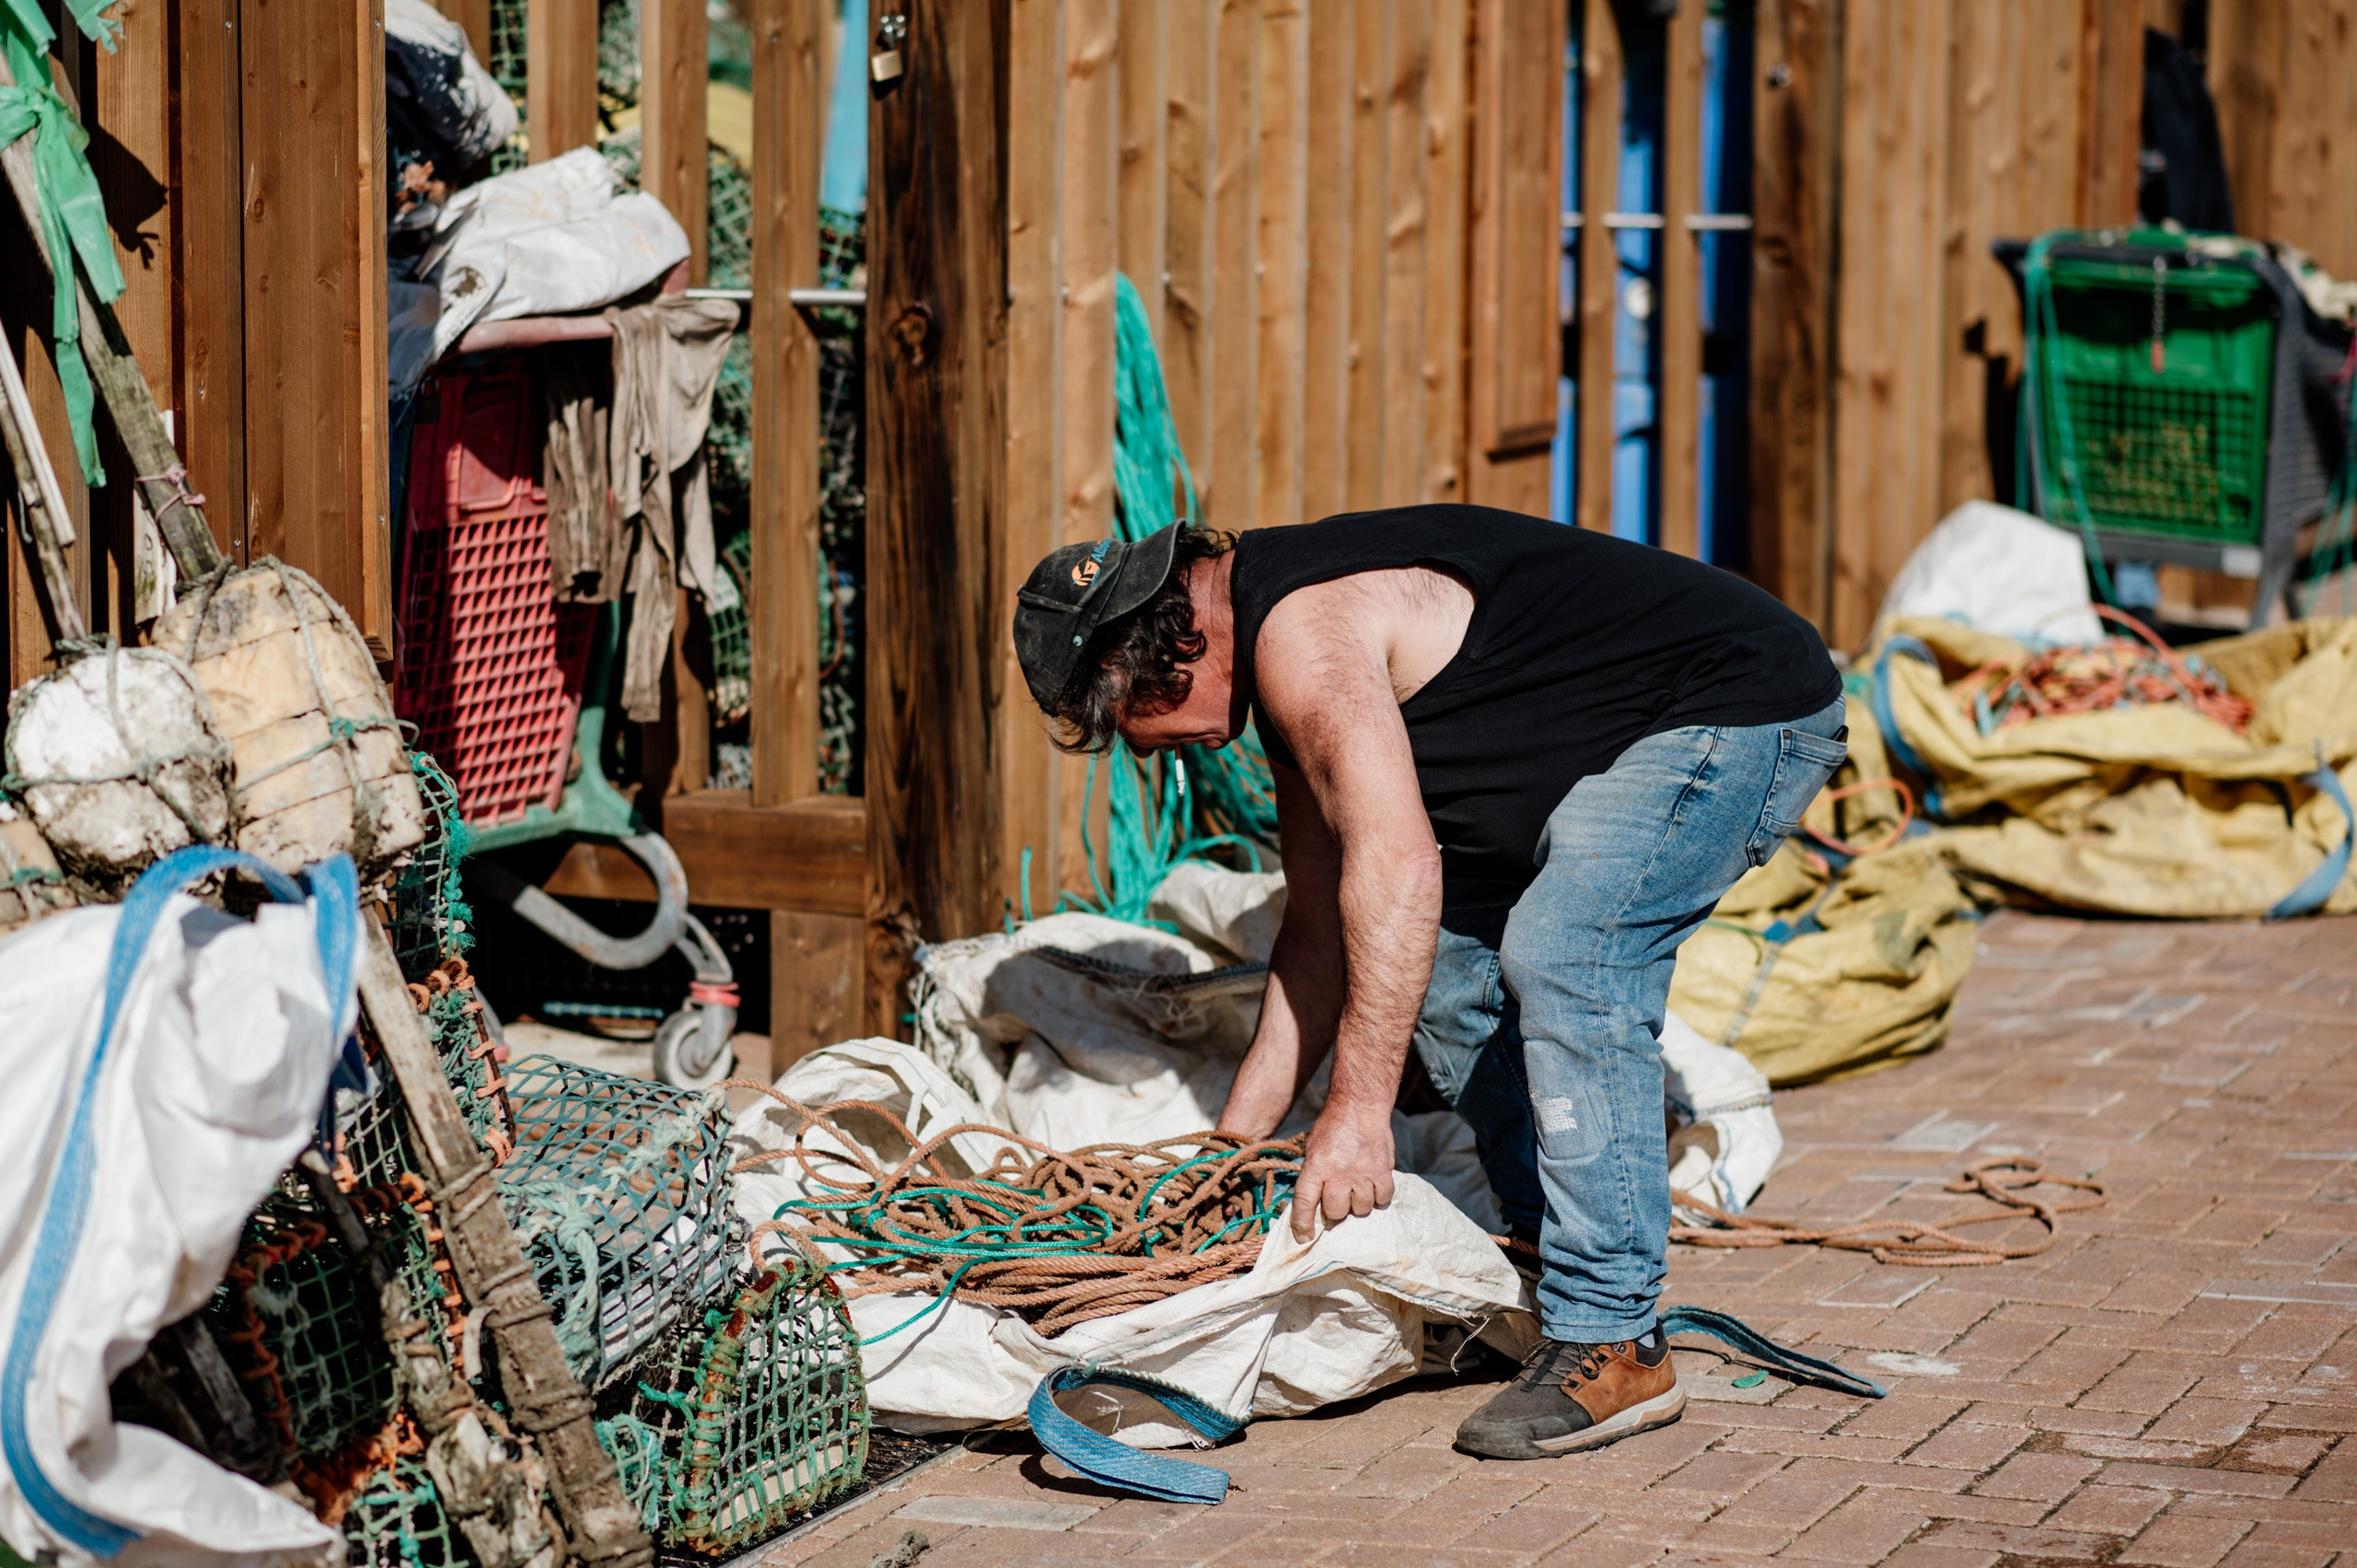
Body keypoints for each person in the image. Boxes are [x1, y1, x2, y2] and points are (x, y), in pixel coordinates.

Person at [1010, 505, 1845, 1459]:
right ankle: (1550, 1260)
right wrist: (1227, 1151)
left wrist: (1358, 1113)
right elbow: (1321, 928)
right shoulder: (1274, 664)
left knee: (1568, 949)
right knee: (1441, 975)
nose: (1145, 749)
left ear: (1164, 652)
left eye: (1123, 721)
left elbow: (1403, 867)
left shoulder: (1303, 637)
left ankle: (1614, 1333)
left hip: (1737, 704)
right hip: (1622, 730)